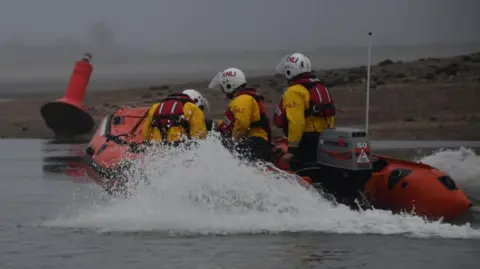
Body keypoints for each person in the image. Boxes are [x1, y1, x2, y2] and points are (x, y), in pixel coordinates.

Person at [273, 53, 336, 169]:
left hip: (307, 140)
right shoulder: (318, 87)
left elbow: (296, 122)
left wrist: (292, 149)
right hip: (325, 137)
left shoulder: (294, 91)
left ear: (289, 71)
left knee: (301, 171)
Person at [208, 67, 273, 163]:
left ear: (229, 85)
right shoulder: (246, 98)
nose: (223, 91)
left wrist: (234, 141)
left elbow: (242, 123)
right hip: (257, 141)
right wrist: (218, 124)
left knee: (220, 147)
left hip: (255, 142)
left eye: (223, 87)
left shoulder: (242, 99)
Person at [141, 89, 210, 145]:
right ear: (195, 101)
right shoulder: (194, 109)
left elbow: (145, 133)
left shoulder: (155, 107)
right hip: (180, 151)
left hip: (158, 149)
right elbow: (200, 137)